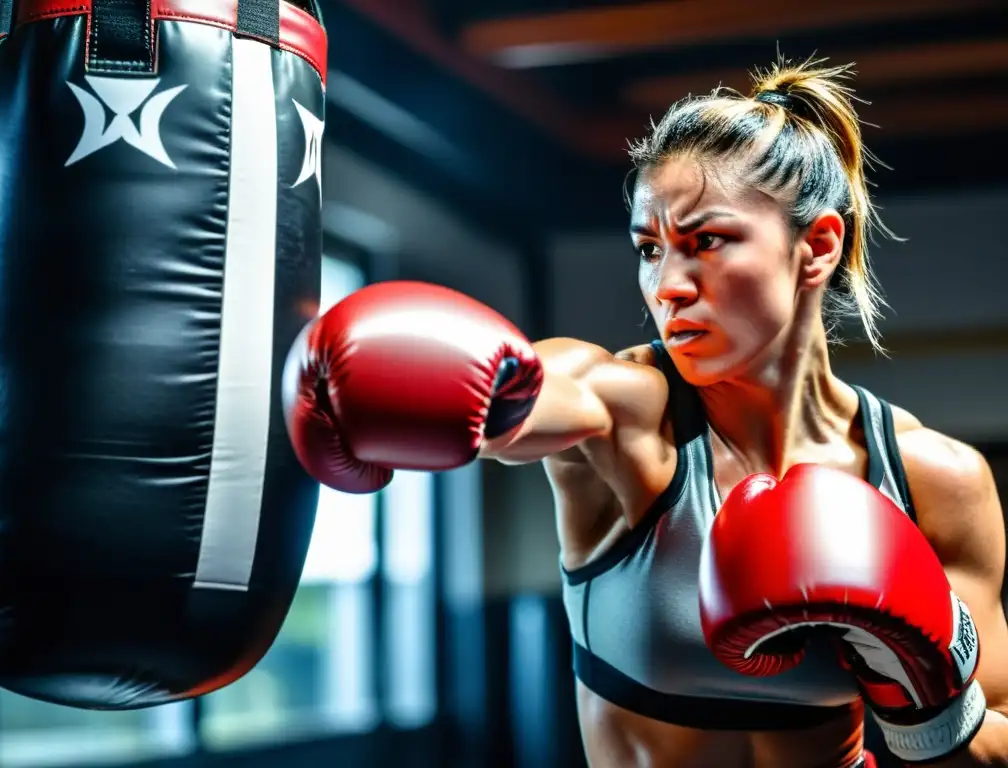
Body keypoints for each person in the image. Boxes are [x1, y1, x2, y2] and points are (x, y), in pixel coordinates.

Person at [283, 59, 1008, 767]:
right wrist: (489, 397)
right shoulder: (633, 419)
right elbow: (547, 393)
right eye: (650, 248)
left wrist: (931, 708)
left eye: (706, 242)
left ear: (816, 247)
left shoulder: (937, 481)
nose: (667, 285)